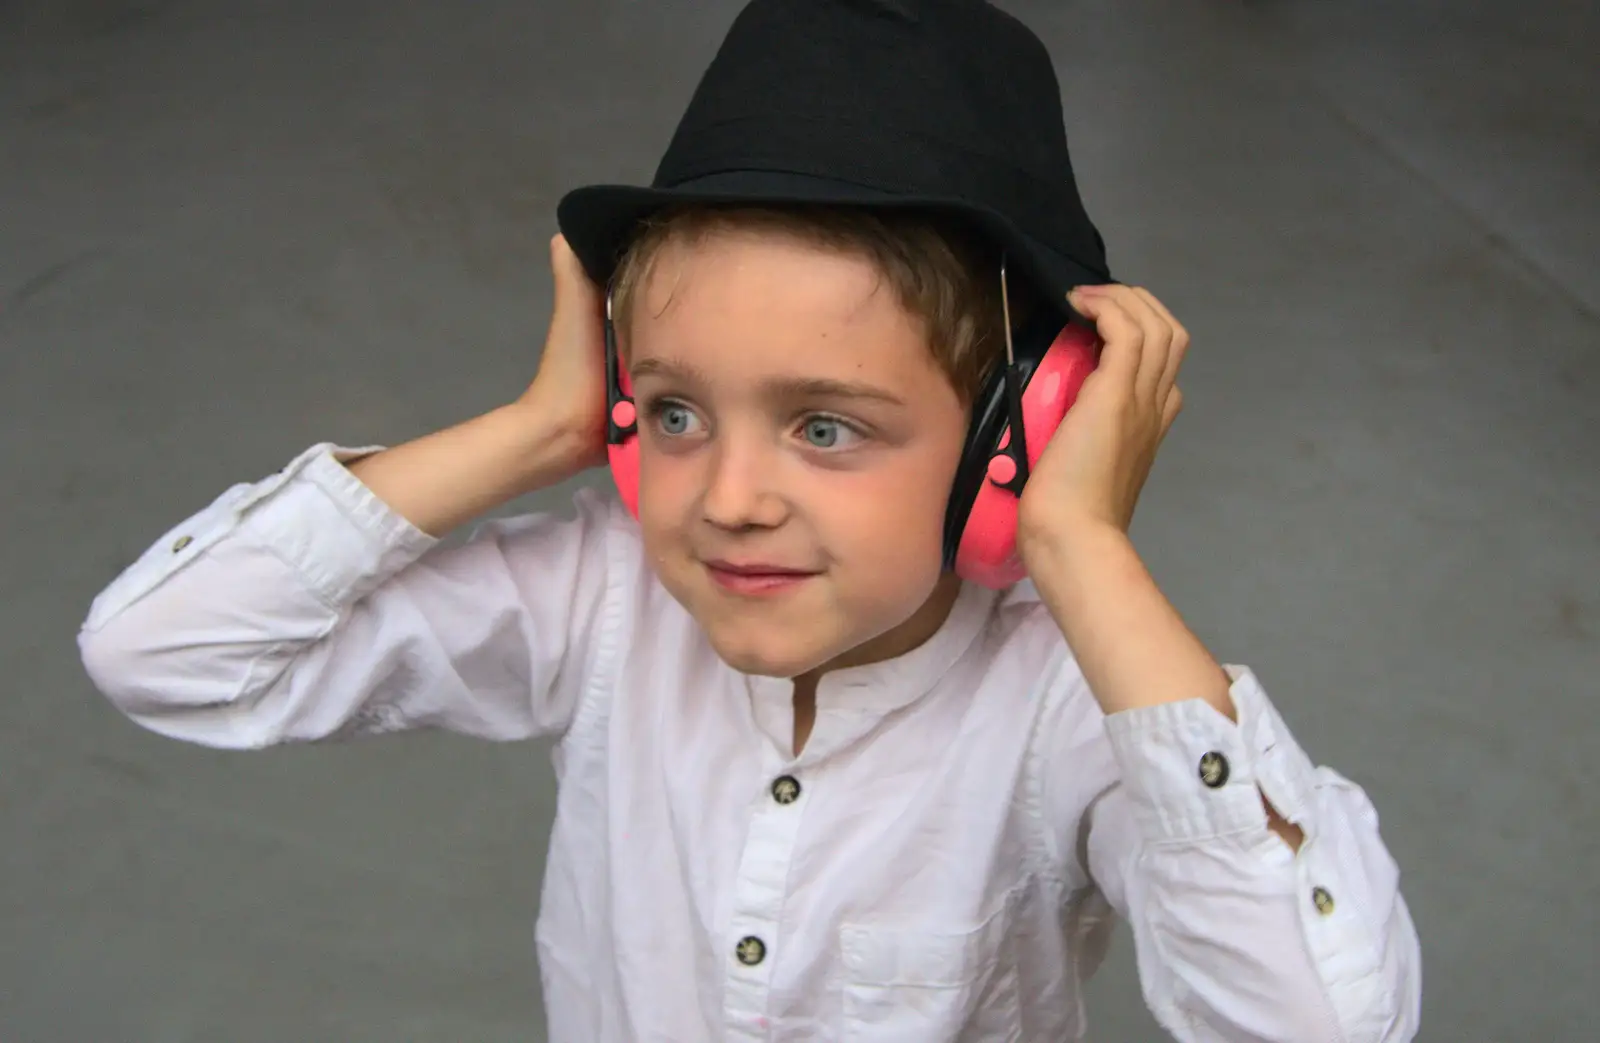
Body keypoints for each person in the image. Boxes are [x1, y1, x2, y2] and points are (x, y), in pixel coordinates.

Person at [77, 0, 1421, 1039]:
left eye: (826, 426)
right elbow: (166, 650)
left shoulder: (1064, 709)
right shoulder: (604, 604)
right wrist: (536, 432)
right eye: (671, 411)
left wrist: (1083, 549)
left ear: (1020, 439)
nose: (726, 497)